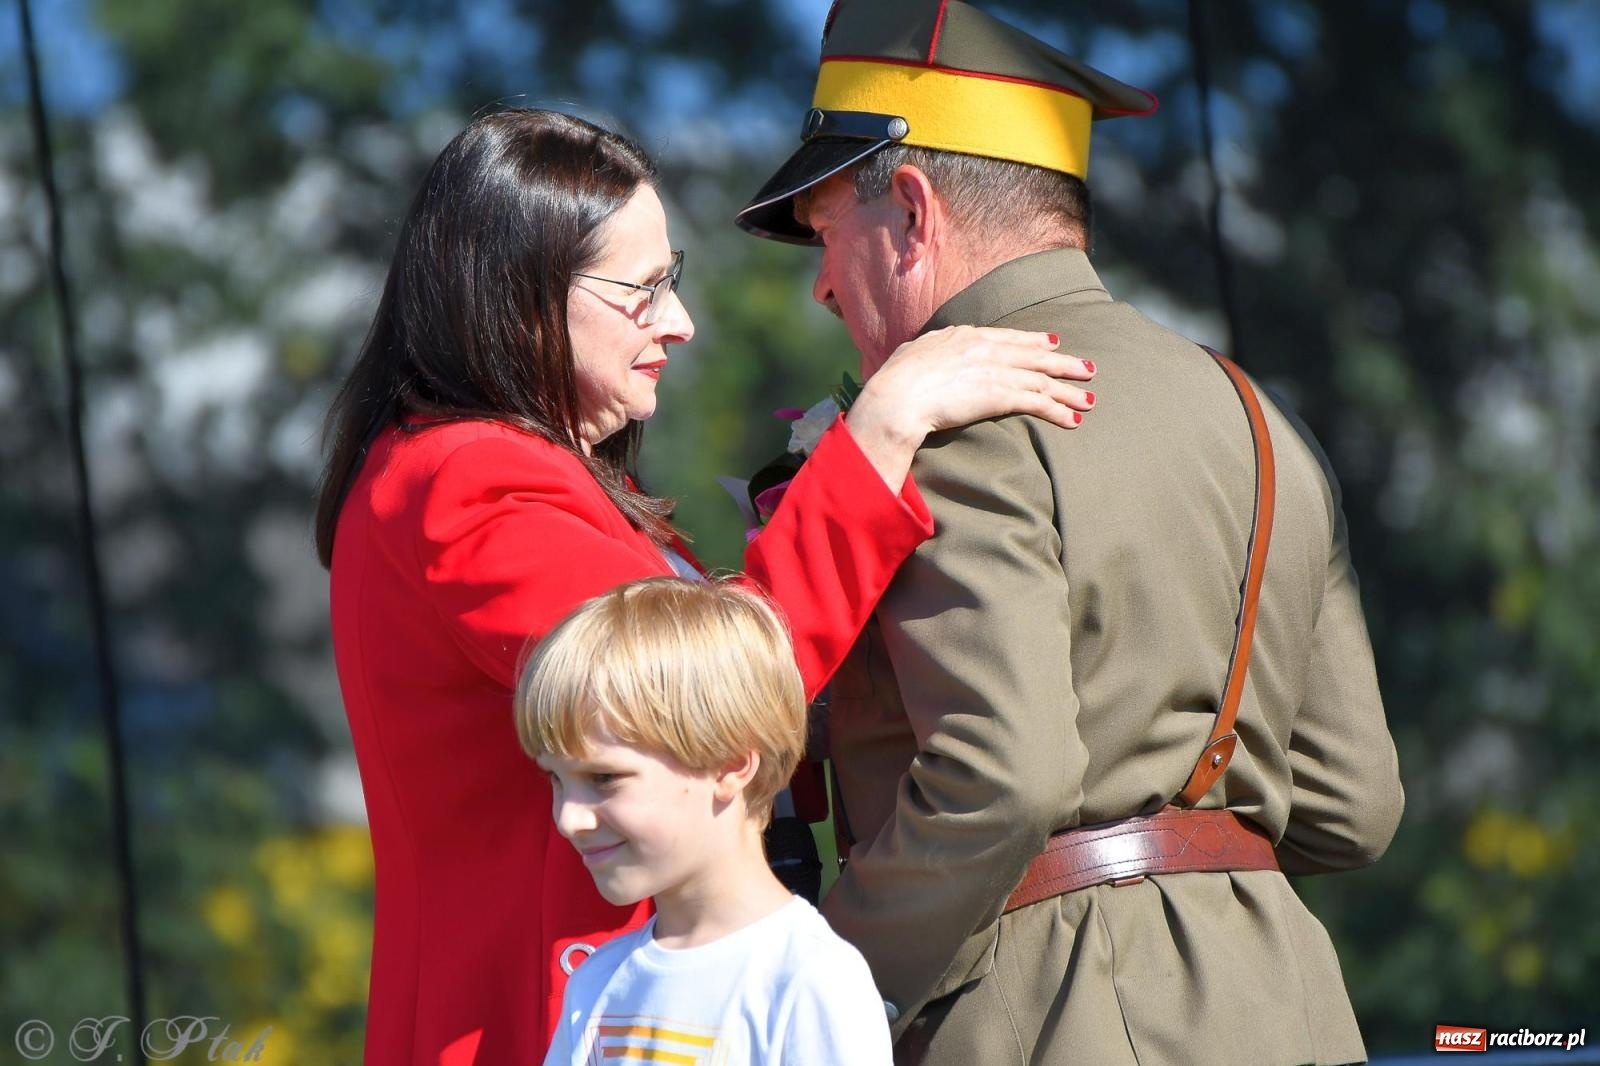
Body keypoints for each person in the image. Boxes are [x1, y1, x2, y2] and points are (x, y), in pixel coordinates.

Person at [313, 108, 1095, 1066]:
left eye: (670, 282)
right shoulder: (468, 479)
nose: (678, 323)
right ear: (518, 299)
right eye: (641, 291)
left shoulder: (494, 470)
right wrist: (882, 431)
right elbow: (695, 693)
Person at [736, 3, 1406, 1065]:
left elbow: (999, 779)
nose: (820, 282)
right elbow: (1353, 806)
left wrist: (821, 988)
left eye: (824, 234)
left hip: (1049, 1016)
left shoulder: (958, 419)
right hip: (1290, 1008)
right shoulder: (1258, 419)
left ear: (910, 210)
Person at [518, 578, 893, 1065]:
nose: (569, 818)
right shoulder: (597, 984)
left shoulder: (808, 982)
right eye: (556, 779)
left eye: (604, 778)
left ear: (730, 766)